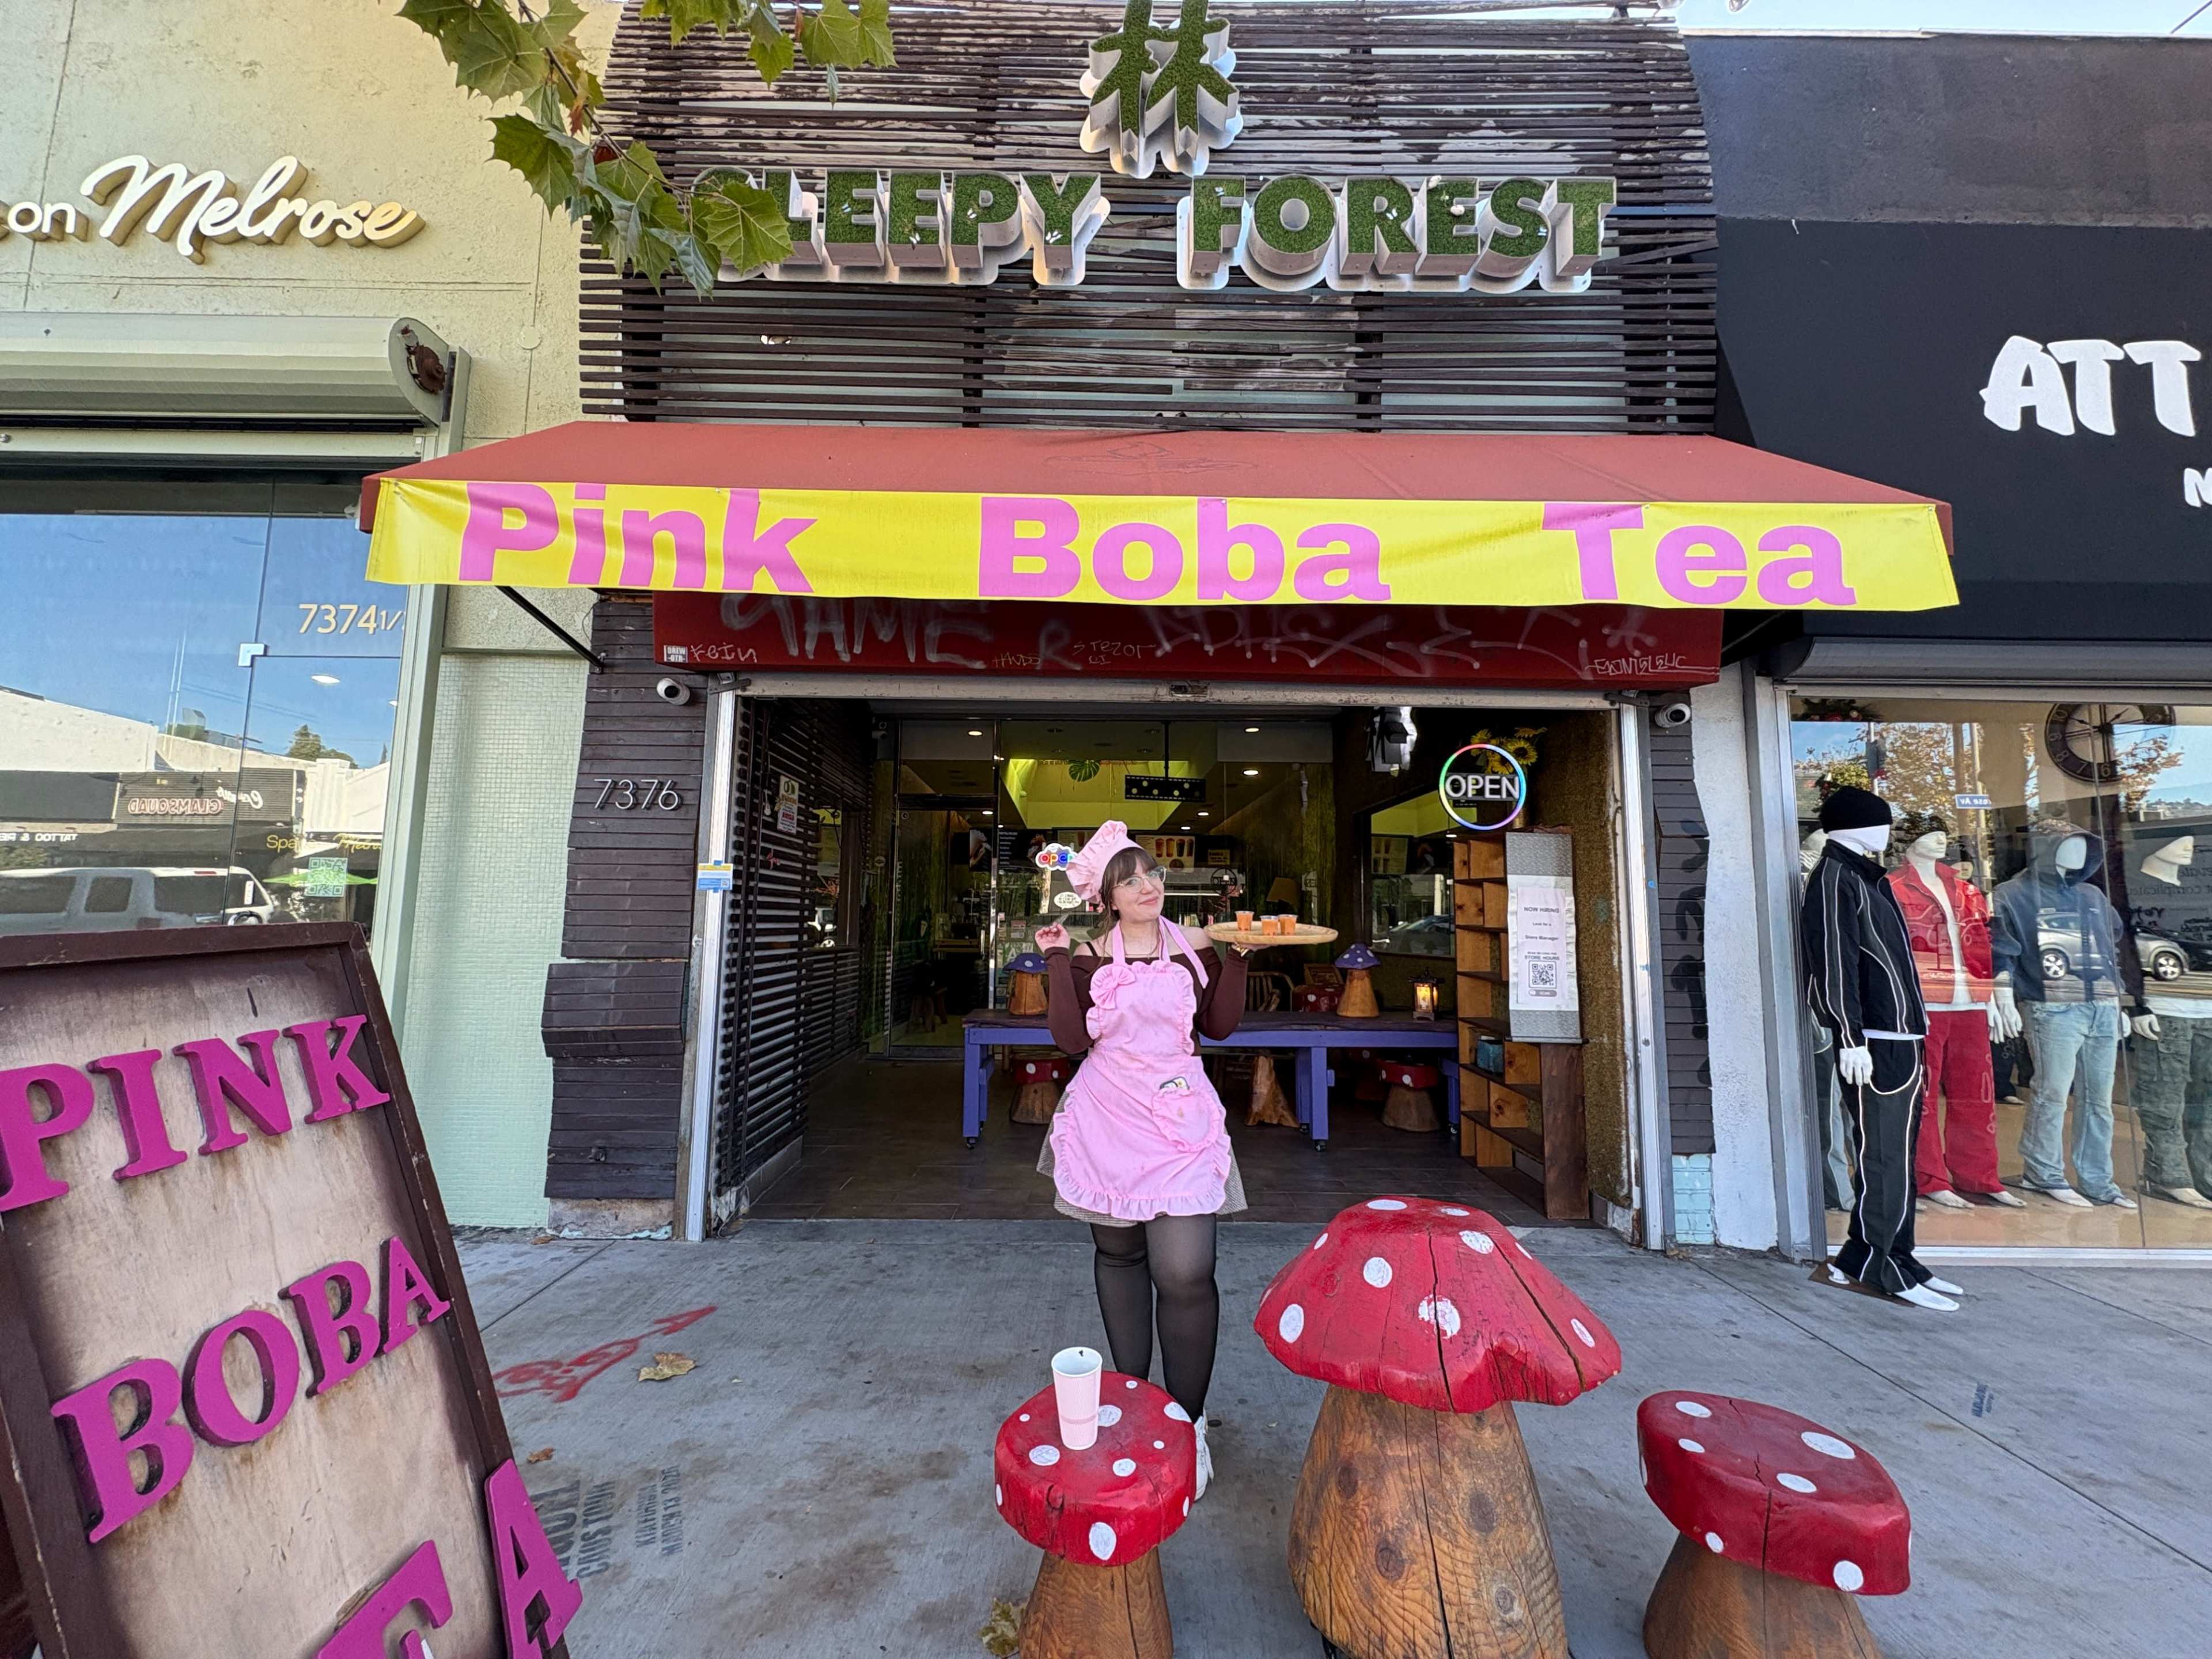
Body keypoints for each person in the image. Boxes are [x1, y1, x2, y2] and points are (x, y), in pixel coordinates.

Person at [1035, 820, 1252, 1500]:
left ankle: (1187, 1426)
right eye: (1131, 879)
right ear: (1106, 896)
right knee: (1120, 1256)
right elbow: (1070, 1042)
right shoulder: (1087, 958)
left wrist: (1239, 955)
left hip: (1180, 1118)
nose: (1148, 886)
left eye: (1153, 875)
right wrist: (1053, 963)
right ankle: (1134, 1403)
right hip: (1108, 1118)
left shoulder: (1193, 950)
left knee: (1186, 1271)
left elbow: (1217, 1027)